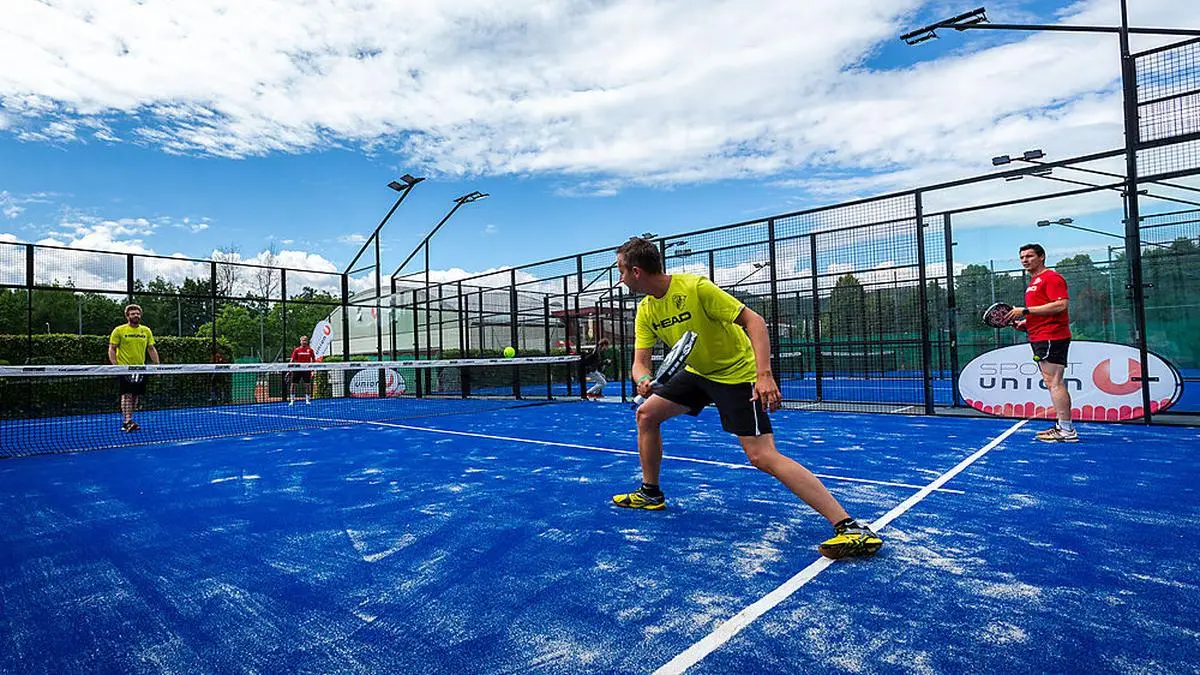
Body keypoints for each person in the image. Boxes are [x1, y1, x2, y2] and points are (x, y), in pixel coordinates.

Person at [612, 237, 882, 560]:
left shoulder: (695, 288)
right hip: (698, 372)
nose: (621, 279)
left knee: (762, 456)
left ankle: (850, 527)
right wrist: (642, 379)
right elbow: (639, 362)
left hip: (736, 374)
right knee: (647, 414)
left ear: (637, 271)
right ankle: (650, 493)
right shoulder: (646, 310)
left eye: (621, 271)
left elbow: (755, 322)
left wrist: (763, 374)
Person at [1005, 243, 1077, 442]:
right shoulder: (1034, 282)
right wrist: (1025, 323)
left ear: (1042, 257)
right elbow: (1043, 312)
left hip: (1051, 336)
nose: (1025, 260)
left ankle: (1067, 430)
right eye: (1022, 257)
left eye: (1029, 256)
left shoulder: (1051, 278)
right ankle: (1063, 426)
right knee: (1051, 381)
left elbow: (1061, 305)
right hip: (1040, 335)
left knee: (1054, 382)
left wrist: (1026, 311)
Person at [108, 304, 160, 432]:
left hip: (141, 369)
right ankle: (127, 421)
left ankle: (130, 419)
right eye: (133, 314)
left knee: (135, 396)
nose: (135, 315)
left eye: (137, 313)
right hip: (124, 368)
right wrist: (116, 366)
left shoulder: (146, 331)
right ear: (127, 316)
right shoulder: (119, 330)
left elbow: (151, 348)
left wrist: (157, 366)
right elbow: (112, 349)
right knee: (126, 395)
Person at [289, 335, 316, 405]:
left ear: (307, 342)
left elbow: (313, 361)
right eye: (303, 340)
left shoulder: (310, 350)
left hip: (307, 370)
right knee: (293, 385)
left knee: (307, 385)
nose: (304, 342)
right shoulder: (296, 350)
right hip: (297, 369)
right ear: (300, 341)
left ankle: (307, 400)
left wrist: (313, 371)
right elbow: (292, 360)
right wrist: (289, 369)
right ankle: (292, 400)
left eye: (305, 340)